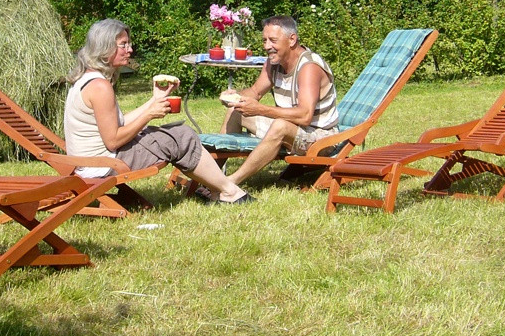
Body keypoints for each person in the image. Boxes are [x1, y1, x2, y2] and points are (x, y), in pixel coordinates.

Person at [64, 18, 254, 204]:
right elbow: (113, 140)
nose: (130, 49)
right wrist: (149, 114)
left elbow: (119, 123)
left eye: (129, 44)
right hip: (103, 164)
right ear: (104, 48)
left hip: (91, 162)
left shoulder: (87, 79)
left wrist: (154, 101)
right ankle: (228, 191)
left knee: (177, 134)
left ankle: (218, 189)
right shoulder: (100, 87)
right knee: (182, 137)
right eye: (123, 44)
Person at [218, 15, 339, 186]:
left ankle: (229, 183)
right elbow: (255, 92)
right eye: (264, 40)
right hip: (292, 127)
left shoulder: (309, 67)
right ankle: (212, 175)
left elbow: (305, 116)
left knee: (280, 126)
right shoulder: (273, 63)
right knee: (235, 111)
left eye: (273, 40)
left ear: (292, 40)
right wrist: (234, 97)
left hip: (321, 138)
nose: (267, 46)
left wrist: (260, 109)